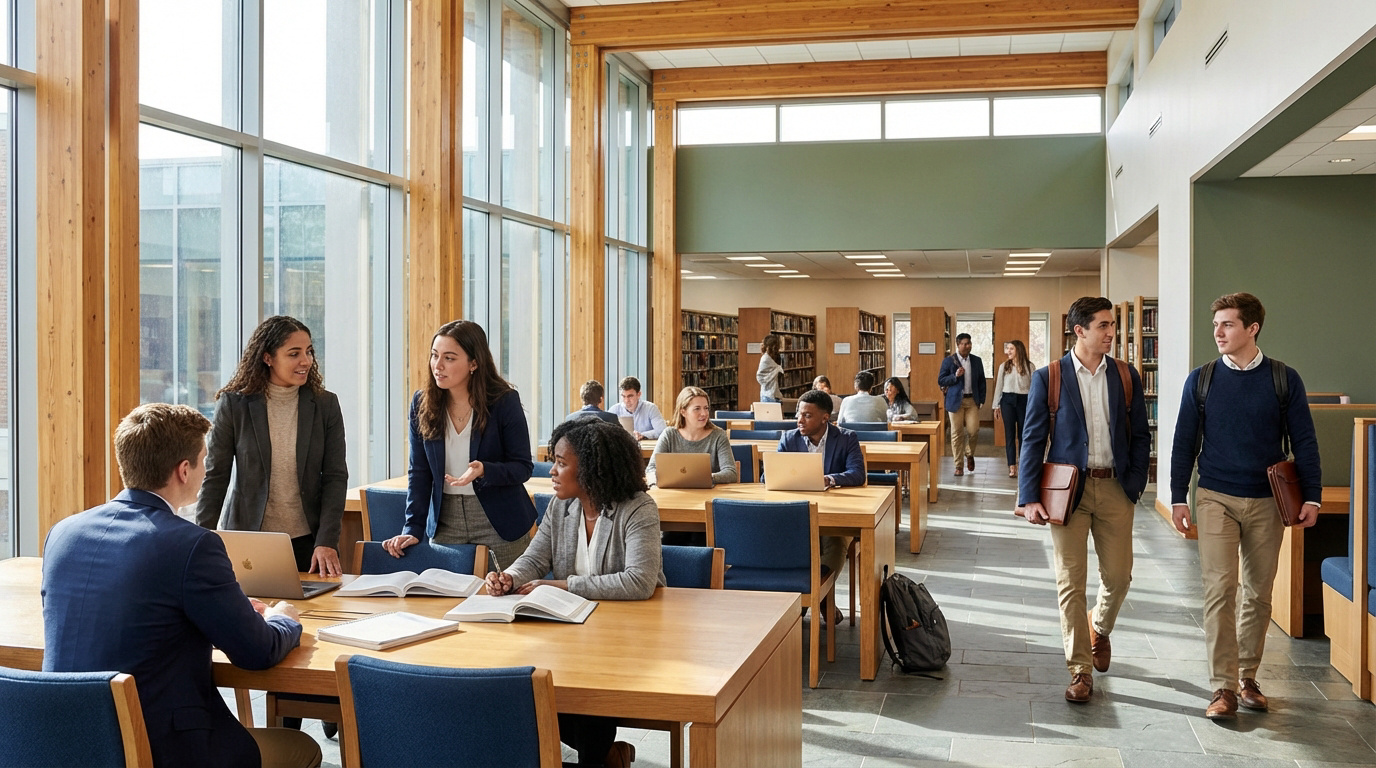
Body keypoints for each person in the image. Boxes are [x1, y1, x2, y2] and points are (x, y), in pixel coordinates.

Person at [42, 403, 320, 768]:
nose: (207, 471)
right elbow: (257, 652)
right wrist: (284, 618)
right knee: (302, 749)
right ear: (184, 470)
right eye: (204, 461)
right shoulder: (191, 545)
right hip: (161, 749)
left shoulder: (62, 533)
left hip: (64, 745)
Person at [1169, 292, 1321, 720]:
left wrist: (1311, 495)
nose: (1218, 332)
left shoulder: (1283, 379)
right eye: (1215, 324)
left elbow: (1304, 440)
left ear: (1252, 328)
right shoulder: (1201, 380)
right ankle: (1222, 686)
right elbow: (1184, 442)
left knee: (1258, 592)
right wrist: (1178, 496)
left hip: (1267, 502)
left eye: (1228, 324)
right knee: (1220, 590)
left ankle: (1247, 677)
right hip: (1214, 494)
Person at [487, 418, 663, 768]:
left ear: (593, 469)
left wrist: (562, 585)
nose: (552, 471)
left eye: (562, 463)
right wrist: (510, 576)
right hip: (572, 632)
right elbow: (536, 557)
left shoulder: (638, 508)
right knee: (517, 684)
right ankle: (603, 757)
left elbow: (639, 582)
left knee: (586, 704)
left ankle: (599, 757)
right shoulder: (561, 505)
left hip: (627, 638)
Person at [1017, 297, 1150, 704]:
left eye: (1112, 325)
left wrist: (1136, 484)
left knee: (1119, 577)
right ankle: (1080, 670)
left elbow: (1142, 435)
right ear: (1080, 331)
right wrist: (1028, 496)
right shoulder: (1049, 376)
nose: (1111, 332)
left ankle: (1100, 629)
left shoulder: (1126, 376)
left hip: (1115, 489)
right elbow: (1033, 438)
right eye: (1104, 325)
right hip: (1066, 493)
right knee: (1070, 583)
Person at [197, 316, 348, 579]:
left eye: (309, 351)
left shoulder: (325, 405)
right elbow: (216, 476)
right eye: (294, 353)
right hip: (249, 539)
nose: (306, 361)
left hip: (309, 543)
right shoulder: (234, 405)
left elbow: (335, 477)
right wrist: (200, 540)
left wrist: (326, 540)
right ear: (268, 357)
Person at [383, 320, 537, 569]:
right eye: (435, 356)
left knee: (506, 599)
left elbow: (522, 467)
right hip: (446, 521)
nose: (438, 366)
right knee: (446, 600)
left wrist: (485, 469)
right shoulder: (422, 403)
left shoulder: (504, 401)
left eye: (450, 358)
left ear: (474, 363)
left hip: (498, 520)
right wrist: (413, 527)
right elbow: (419, 473)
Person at [777, 389, 864, 576]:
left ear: (825, 418)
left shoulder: (846, 438)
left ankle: (819, 595)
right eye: (798, 414)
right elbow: (767, 477)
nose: (800, 420)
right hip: (797, 511)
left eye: (807, 416)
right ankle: (813, 599)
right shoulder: (789, 439)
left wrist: (829, 479)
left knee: (835, 541)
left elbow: (857, 474)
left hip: (835, 513)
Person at [646, 386, 738, 487]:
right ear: (683, 411)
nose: (704, 413)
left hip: (709, 495)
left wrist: (704, 478)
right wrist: (654, 484)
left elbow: (731, 473)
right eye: (697, 409)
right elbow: (651, 468)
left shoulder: (718, 436)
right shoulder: (669, 435)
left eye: (706, 408)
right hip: (674, 495)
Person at [938, 333, 987, 476]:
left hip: (972, 400)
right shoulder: (949, 361)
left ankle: (969, 452)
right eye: (965, 344)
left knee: (973, 431)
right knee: (956, 434)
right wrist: (955, 376)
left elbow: (981, 381)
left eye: (969, 343)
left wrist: (982, 399)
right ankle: (958, 465)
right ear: (958, 345)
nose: (968, 346)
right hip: (954, 402)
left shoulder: (977, 361)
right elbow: (941, 380)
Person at [992, 339, 1033, 478]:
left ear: (1018, 350)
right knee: (1009, 435)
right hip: (1007, 401)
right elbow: (999, 387)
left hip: (1024, 401)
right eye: (1007, 348)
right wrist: (996, 406)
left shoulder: (1030, 366)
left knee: (1023, 435)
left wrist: (1035, 406)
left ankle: (1023, 464)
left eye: (1011, 349)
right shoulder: (1004, 366)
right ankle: (1012, 466)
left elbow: (1034, 388)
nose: (1007, 351)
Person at [607, 375, 667, 440]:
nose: (626, 401)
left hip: (645, 448)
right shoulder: (614, 410)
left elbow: (662, 431)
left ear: (639, 394)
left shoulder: (651, 408)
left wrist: (643, 435)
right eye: (623, 396)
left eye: (630, 396)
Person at [756, 334, 784, 403]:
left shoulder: (776, 357)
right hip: (768, 394)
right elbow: (760, 377)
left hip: (772, 393)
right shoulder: (765, 359)